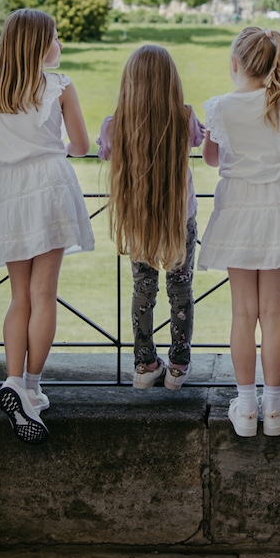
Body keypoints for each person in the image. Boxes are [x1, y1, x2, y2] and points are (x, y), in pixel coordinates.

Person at [0, 9, 93, 443]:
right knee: (45, 294)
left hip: (12, 189)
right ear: (43, 45)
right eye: (56, 36)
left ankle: (11, 380)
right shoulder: (58, 85)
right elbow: (80, 146)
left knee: (19, 296)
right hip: (50, 183)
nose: (60, 43)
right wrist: (51, 144)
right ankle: (32, 387)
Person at [199, 27, 280, 437]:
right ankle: (275, 406)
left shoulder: (219, 107)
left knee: (243, 311)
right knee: (272, 311)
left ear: (235, 64)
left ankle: (246, 407)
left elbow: (211, 158)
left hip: (238, 205)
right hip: (279, 203)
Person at [96, 44, 206, 392]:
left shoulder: (115, 124)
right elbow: (200, 139)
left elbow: (103, 150)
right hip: (178, 215)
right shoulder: (184, 117)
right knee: (181, 289)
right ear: (171, 81)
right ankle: (178, 364)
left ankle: (144, 364)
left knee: (143, 290)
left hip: (137, 216)